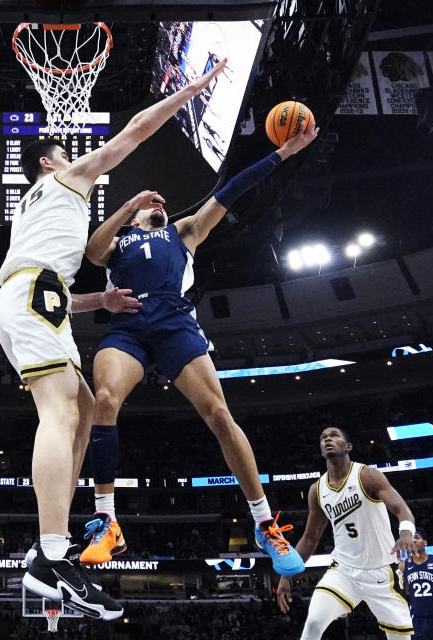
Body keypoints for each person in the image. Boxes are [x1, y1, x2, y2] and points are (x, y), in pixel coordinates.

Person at [0, 59, 230, 621]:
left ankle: (53, 549)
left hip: (37, 298)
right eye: (70, 156)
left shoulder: (39, 214)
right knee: (60, 412)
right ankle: (49, 556)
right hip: (33, 298)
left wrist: (101, 302)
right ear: (49, 163)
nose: (82, 163)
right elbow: (135, 132)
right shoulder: (61, 180)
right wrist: (190, 92)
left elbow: (51, 284)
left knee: (82, 405)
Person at [78, 127, 319, 572]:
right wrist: (129, 205)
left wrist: (283, 153)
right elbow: (93, 254)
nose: (158, 204)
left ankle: (265, 523)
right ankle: (106, 521)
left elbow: (234, 188)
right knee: (105, 400)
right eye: (149, 204)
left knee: (219, 415)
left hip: (174, 324)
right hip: (127, 327)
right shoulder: (117, 243)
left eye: (160, 203)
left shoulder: (184, 231)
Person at [277, 426, 417, 639]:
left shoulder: (368, 476)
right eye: (323, 437)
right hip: (344, 571)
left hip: (382, 573)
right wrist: (286, 575)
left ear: (348, 446)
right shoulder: (317, 490)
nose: (327, 439)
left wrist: (406, 533)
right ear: (321, 450)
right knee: (313, 622)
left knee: (401, 638)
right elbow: (310, 538)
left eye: (334, 435)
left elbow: (402, 510)